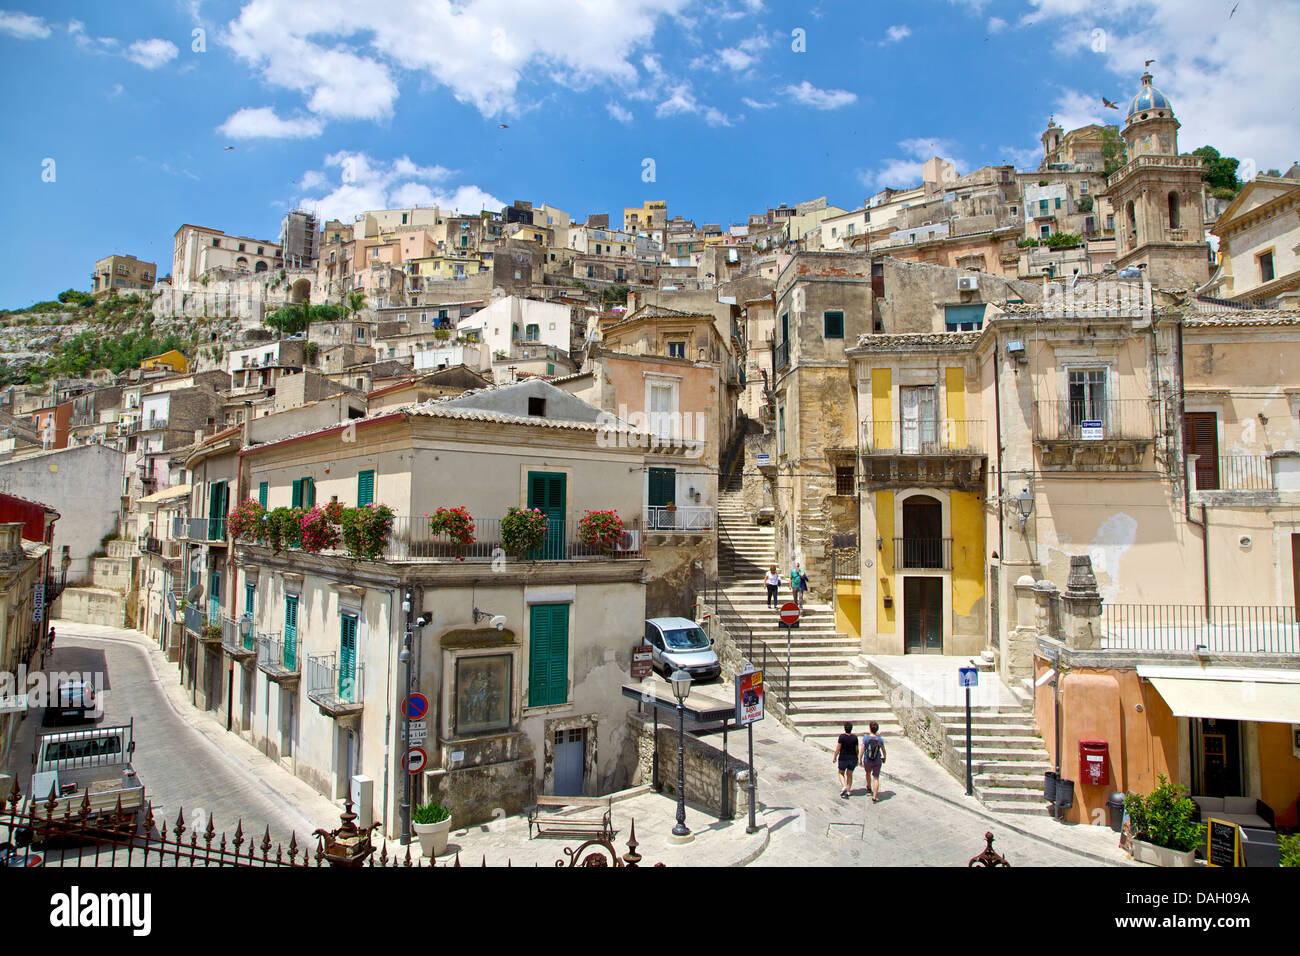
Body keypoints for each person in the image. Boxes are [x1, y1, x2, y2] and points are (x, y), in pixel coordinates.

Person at [859, 721, 887, 802]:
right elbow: (883, 750)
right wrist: (884, 757)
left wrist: (860, 759)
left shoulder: (866, 738)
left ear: (870, 728)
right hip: (877, 760)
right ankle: (874, 796)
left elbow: (862, 749)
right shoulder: (880, 739)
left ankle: (868, 786)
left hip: (867, 760)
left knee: (867, 773)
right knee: (876, 778)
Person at [834, 722, 858, 798]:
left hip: (843, 758)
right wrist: (857, 758)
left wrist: (835, 756)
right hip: (853, 758)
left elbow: (838, 748)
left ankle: (844, 786)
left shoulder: (842, 737)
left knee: (841, 773)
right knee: (850, 774)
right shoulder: (855, 737)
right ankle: (848, 791)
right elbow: (857, 749)